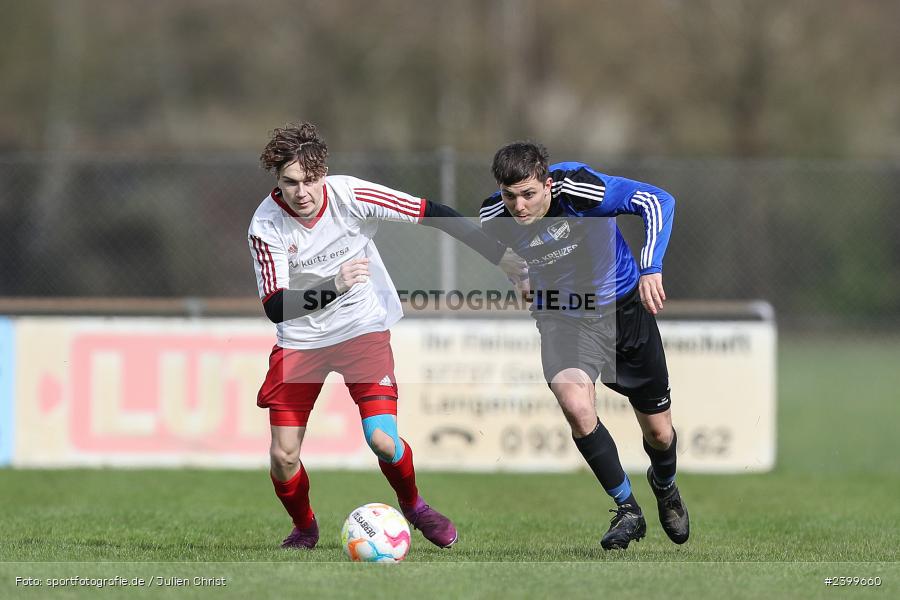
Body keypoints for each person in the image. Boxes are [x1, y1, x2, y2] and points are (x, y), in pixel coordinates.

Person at [249, 122, 517, 550]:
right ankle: (305, 527)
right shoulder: (266, 226)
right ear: (277, 180)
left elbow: (433, 213)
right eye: (290, 183)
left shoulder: (351, 195)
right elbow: (275, 306)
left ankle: (414, 506)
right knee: (283, 457)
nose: (301, 192)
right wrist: (333, 286)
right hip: (301, 341)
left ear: (324, 173)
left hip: (361, 330)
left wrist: (500, 257)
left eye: (310, 180)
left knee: (382, 440)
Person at [479, 141, 689, 550]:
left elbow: (657, 200)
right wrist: (514, 272)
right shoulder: (495, 214)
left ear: (548, 183)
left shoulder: (579, 188)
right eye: (509, 196)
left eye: (528, 194)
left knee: (660, 434)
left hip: (624, 311)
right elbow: (492, 241)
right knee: (575, 404)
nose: (518, 206)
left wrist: (651, 266)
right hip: (563, 317)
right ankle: (628, 509)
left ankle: (665, 485)